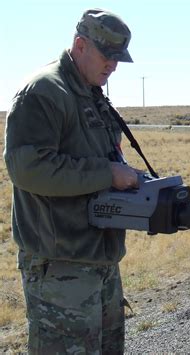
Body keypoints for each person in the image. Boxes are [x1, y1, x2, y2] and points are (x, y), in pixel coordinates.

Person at [4, 9, 139, 354]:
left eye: (118, 58)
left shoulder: (90, 94)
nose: (113, 65)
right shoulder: (44, 92)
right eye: (107, 55)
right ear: (80, 45)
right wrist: (107, 174)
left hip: (100, 260)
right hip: (60, 267)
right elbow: (28, 169)